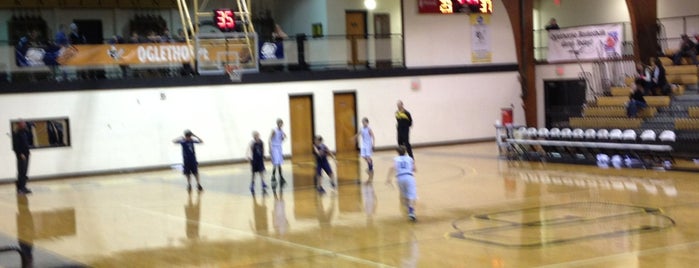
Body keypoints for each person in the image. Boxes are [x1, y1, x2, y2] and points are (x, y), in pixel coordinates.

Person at [385, 146, 417, 222]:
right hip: (409, 177)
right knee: (412, 195)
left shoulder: (396, 159)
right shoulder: (409, 158)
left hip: (400, 178)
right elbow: (414, 169)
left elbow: (392, 168)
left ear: (397, 152)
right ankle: (411, 211)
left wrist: (389, 178)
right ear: (405, 151)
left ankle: (407, 208)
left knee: (404, 195)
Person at [13, 121, 33, 194]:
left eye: (24, 124)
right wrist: (20, 154)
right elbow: (16, 146)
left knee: (25, 172)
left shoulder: (24, 132)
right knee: (21, 172)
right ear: (19, 125)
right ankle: (20, 188)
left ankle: (23, 187)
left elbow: (27, 142)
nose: (24, 125)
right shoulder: (16, 133)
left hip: (26, 154)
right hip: (21, 156)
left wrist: (28, 151)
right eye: (22, 124)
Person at [354, 117, 375, 181]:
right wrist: (354, 138)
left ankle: (370, 169)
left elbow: (373, 137)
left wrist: (373, 145)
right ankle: (370, 164)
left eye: (364, 122)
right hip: (363, 145)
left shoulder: (369, 129)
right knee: (363, 156)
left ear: (367, 122)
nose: (363, 123)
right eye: (362, 122)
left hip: (368, 144)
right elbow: (358, 134)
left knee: (368, 157)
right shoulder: (362, 129)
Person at [269, 119, 287, 190]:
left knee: (279, 163)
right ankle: (273, 177)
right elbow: (269, 139)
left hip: (279, 148)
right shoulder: (274, 130)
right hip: (274, 147)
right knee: (276, 163)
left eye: (282, 124)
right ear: (277, 124)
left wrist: (283, 138)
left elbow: (282, 138)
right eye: (280, 123)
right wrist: (270, 149)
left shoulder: (281, 131)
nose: (281, 125)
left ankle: (280, 177)